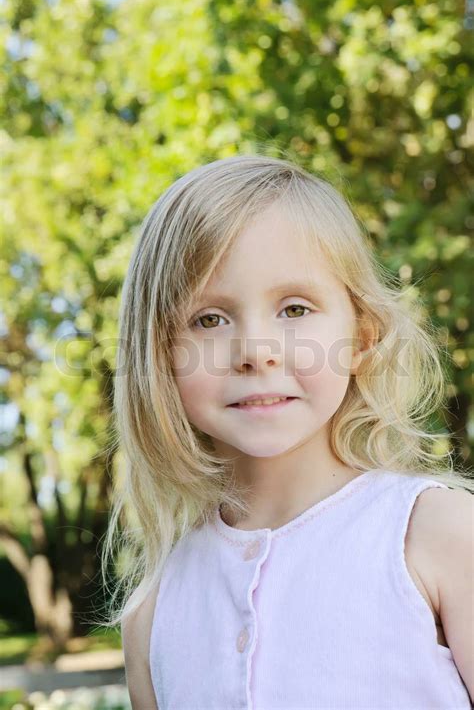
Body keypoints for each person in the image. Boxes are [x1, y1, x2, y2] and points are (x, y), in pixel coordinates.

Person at [101, 154, 473, 708]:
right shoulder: (154, 615)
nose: (256, 351)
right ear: (159, 356)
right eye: (209, 319)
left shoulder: (437, 534)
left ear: (362, 337)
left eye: (295, 309)